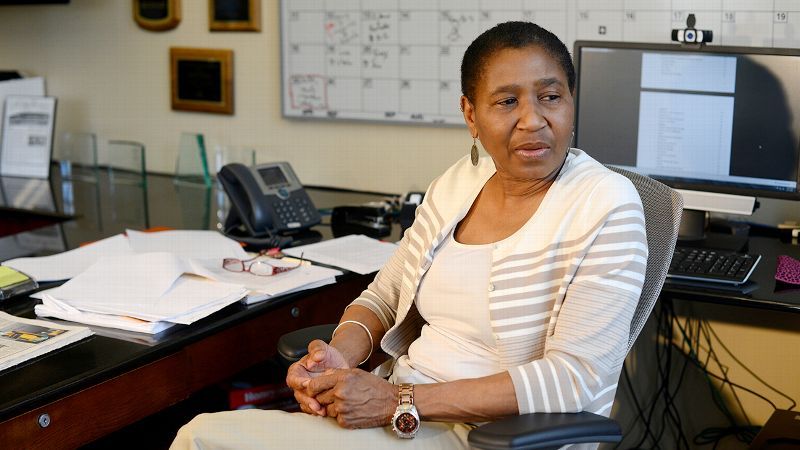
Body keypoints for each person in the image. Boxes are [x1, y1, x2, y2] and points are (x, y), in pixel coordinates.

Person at [171, 21, 647, 450]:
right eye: (507, 101)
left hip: (487, 436)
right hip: (398, 412)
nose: (533, 119)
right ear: (470, 114)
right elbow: (384, 297)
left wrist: (397, 400)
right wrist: (340, 355)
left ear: (570, 101)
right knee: (200, 434)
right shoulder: (459, 183)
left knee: (202, 440)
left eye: (551, 96)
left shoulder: (606, 203)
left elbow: (576, 379)